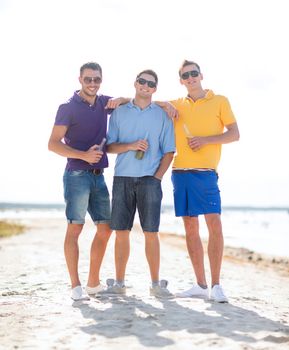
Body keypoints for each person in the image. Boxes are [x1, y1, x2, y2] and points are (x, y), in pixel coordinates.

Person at [158, 60, 240, 303]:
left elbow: (234, 134)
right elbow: (147, 102)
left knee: (214, 225)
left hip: (205, 173)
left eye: (194, 73)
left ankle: (216, 285)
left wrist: (205, 140)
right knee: (190, 228)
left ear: (201, 75)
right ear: (181, 80)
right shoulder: (176, 104)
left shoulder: (220, 101)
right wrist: (164, 105)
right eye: (186, 75)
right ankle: (200, 285)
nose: (191, 77)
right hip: (180, 172)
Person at [48, 62, 128, 301]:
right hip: (76, 177)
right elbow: (53, 144)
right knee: (75, 228)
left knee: (106, 228)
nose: (92, 83)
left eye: (97, 79)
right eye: (88, 79)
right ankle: (76, 285)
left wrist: (121, 98)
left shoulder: (104, 103)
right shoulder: (67, 108)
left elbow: (128, 102)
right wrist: (83, 155)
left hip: (99, 177)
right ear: (80, 80)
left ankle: (93, 282)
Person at [103, 69, 176, 298]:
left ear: (155, 89)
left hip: (150, 181)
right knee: (121, 232)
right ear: (135, 83)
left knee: (151, 232)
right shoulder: (119, 113)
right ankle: (119, 283)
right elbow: (109, 147)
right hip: (122, 177)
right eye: (142, 81)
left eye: (150, 83)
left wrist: (157, 178)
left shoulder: (163, 115)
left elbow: (169, 152)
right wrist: (130, 145)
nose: (145, 85)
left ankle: (156, 284)